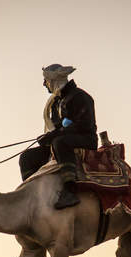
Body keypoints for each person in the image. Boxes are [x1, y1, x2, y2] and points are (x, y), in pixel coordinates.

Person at [37, 63, 98, 209]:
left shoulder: (81, 97)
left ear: (53, 80)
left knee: (59, 142)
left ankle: (70, 190)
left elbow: (84, 125)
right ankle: (37, 194)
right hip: (64, 139)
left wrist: (55, 135)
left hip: (86, 139)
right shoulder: (55, 103)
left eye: (46, 80)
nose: (44, 84)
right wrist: (47, 137)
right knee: (28, 157)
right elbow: (58, 127)